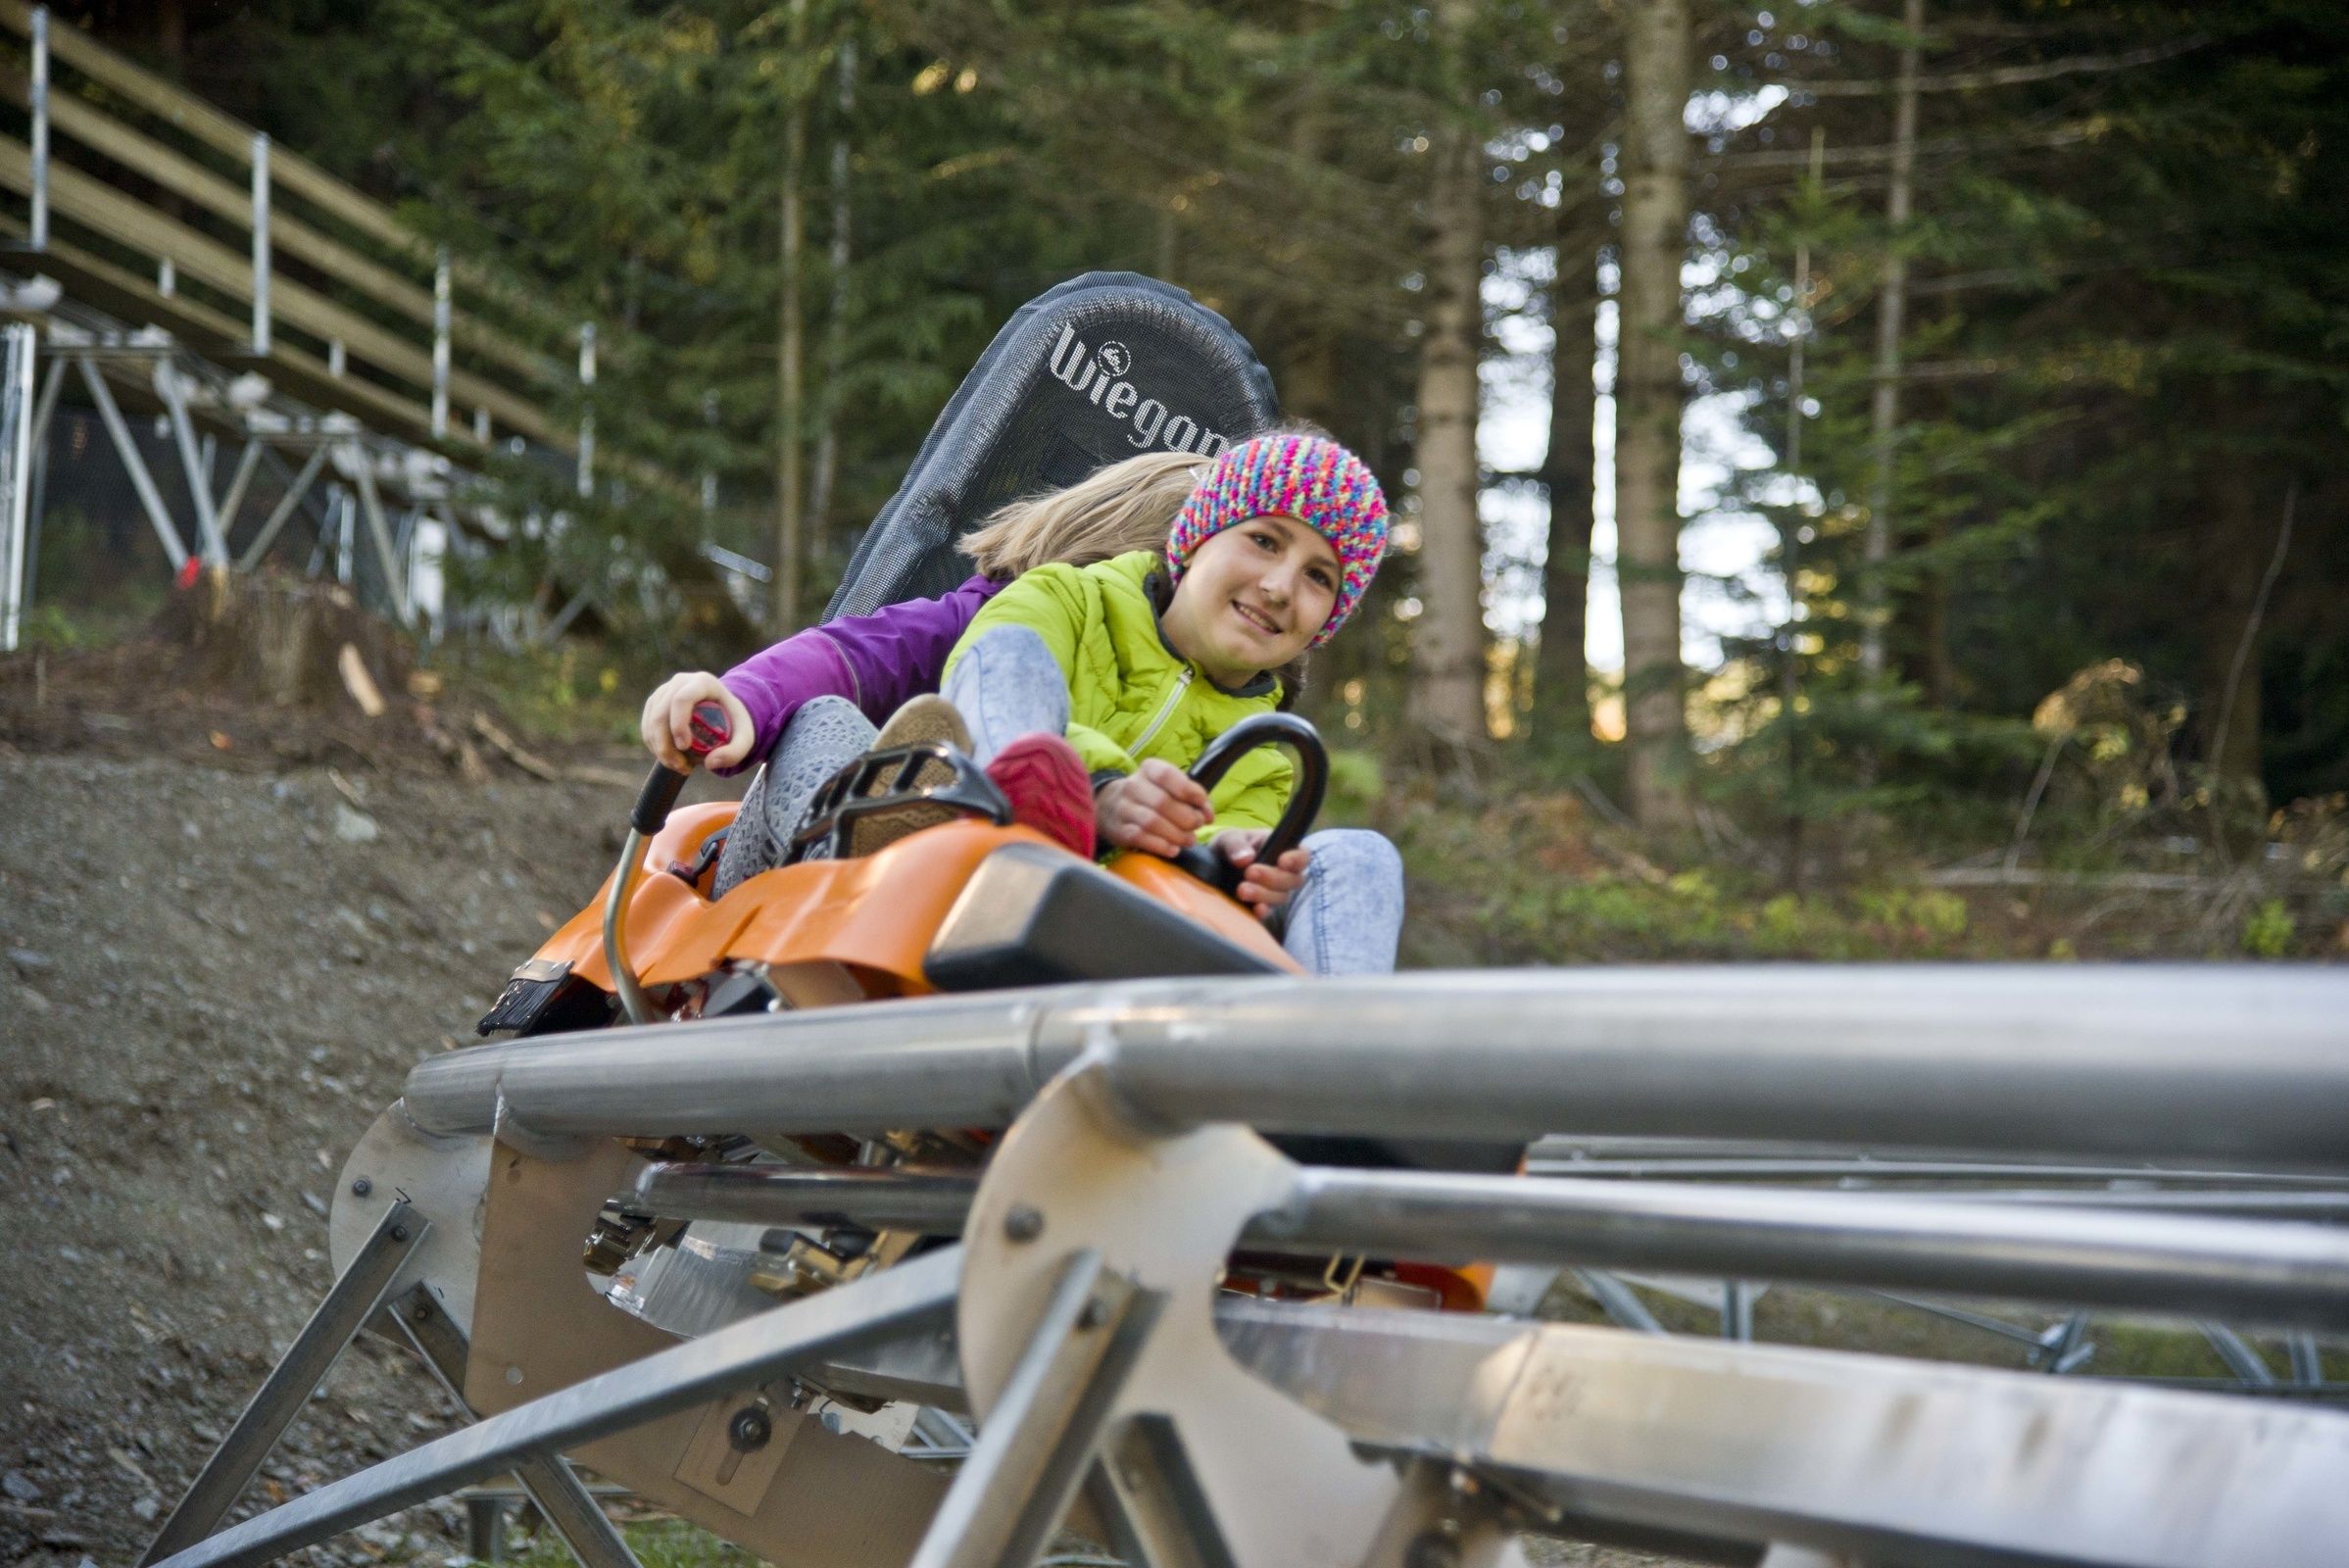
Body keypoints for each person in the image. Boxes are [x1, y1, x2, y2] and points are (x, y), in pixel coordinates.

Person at [937, 430, 1402, 975]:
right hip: (971, 848)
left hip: (1123, 934)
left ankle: (1328, 1047)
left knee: (1362, 858)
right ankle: (1039, 825)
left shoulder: (1267, 762)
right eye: (1265, 541)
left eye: (1318, 577)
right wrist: (1103, 791)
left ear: (1326, 623)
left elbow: (1200, 859)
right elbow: (982, 687)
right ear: (1199, 536)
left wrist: (1237, 855)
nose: (1279, 587)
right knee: (1010, 651)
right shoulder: (1064, 596)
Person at [639, 451, 1206, 894]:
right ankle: (862, 855)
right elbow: (856, 657)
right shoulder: (999, 627)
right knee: (826, 717)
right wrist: (745, 697)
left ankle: (904, 857)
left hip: (994, 916)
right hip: (788, 880)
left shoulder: (1215, 723)